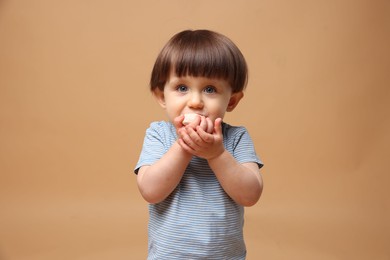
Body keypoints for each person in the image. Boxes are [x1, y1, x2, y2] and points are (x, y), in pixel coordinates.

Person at [134, 29, 263, 259]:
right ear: (162, 96)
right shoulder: (159, 135)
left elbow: (250, 195)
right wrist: (183, 147)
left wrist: (216, 154)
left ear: (231, 100)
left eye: (210, 89)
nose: (195, 102)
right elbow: (150, 191)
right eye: (182, 88)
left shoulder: (236, 138)